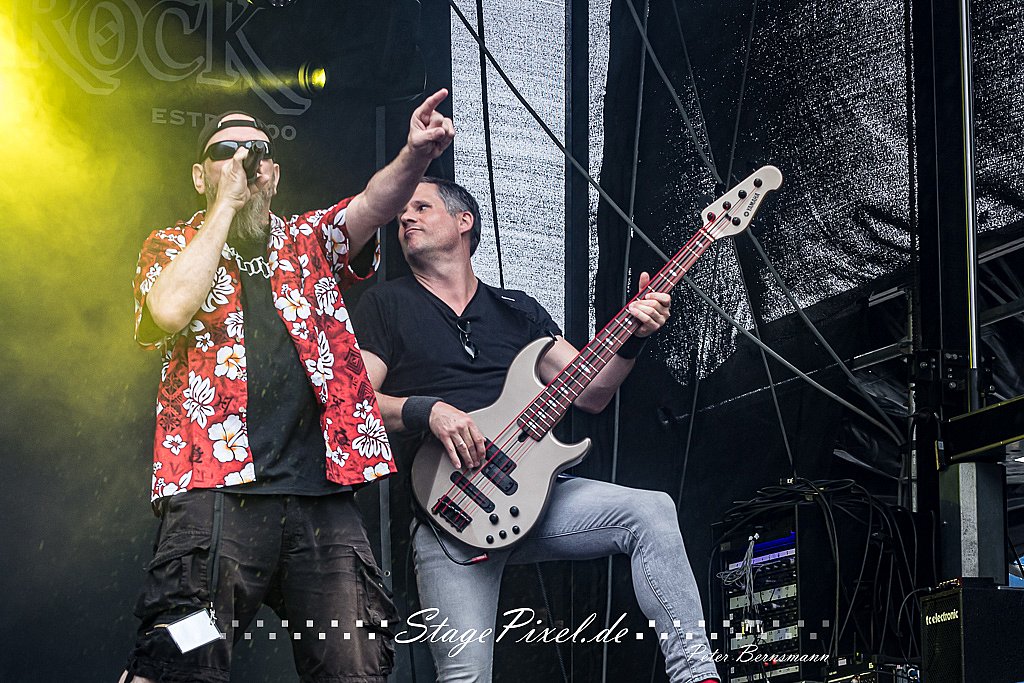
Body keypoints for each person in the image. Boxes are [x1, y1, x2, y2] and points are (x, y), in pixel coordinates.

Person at [120, 91, 455, 683]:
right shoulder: (170, 246)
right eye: (227, 152)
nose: (244, 162)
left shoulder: (309, 241)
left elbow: (373, 205)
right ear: (199, 175)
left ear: (273, 174)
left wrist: (415, 154)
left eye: (257, 152)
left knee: (355, 663)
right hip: (216, 498)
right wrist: (226, 206)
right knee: (182, 654)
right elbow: (169, 310)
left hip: (319, 503)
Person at [351, 177, 720, 683]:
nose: (405, 217)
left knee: (650, 510)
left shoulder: (518, 309)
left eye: (421, 207)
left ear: (464, 221)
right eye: (400, 215)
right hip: (448, 514)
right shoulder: (384, 305)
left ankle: (696, 673)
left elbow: (592, 391)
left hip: (534, 494)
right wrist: (428, 410)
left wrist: (633, 337)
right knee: (465, 679)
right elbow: (356, 400)